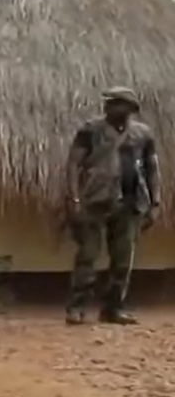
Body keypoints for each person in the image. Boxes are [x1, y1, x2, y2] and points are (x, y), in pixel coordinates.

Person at [65, 86, 160, 325]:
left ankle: (114, 308)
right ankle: (77, 307)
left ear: (130, 108)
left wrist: (155, 202)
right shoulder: (90, 130)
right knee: (88, 255)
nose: (110, 106)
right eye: (109, 102)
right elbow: (74, 164)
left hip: (130, 201)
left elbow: (152, 169)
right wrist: (75, 198)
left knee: (123, 259)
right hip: (95, 200)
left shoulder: (143, 134)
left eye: (117, 102)